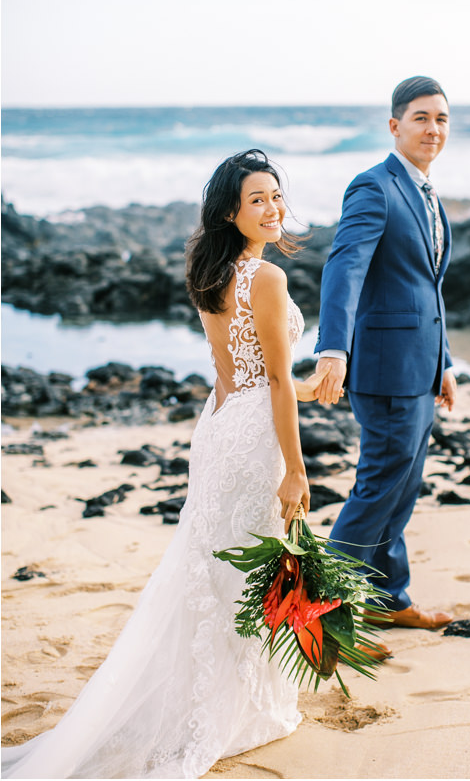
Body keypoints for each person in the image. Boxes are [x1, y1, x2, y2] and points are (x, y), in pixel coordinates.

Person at [1, 149, 324, 778]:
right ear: (232, 211)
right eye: (257, 199)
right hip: (253, 439)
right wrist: (296, 468)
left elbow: (244, 378)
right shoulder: (266, 279)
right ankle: (228, 712)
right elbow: (277, 384)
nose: (272, 208)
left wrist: (312, 386)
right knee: (238, 573)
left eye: (277, 195)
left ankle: (204, 701)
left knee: (211, 568)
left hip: (221, 426)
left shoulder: (213, 272)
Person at [313, 75, 458, 634]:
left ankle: (385, 598)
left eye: (441, 119)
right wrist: (332, 348)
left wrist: (443, 362)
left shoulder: (426, 192)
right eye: (421, 117)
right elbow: (344, 266)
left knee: (402, 487)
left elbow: (427, 285)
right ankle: (323, 616)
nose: (432, 128)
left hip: (421, 369)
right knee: (377, 489)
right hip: (383, 368)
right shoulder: (374, 187)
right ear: (395, 126)